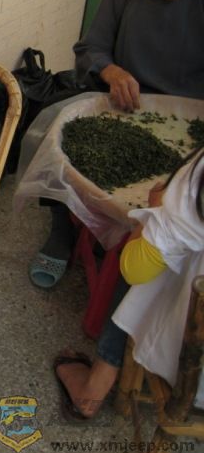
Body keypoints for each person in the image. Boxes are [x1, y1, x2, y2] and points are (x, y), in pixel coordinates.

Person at [29, 0, 204, 289]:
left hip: (191, 122)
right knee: (53, 122)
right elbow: (89, 49)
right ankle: (61, 230)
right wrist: (110, 70)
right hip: (124, 107)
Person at [53, 144, 204, 419]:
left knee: (149, 253)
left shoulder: (198, 179)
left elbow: (135, 270)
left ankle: (93, 387)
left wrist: (156, 211)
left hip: (193, 366)